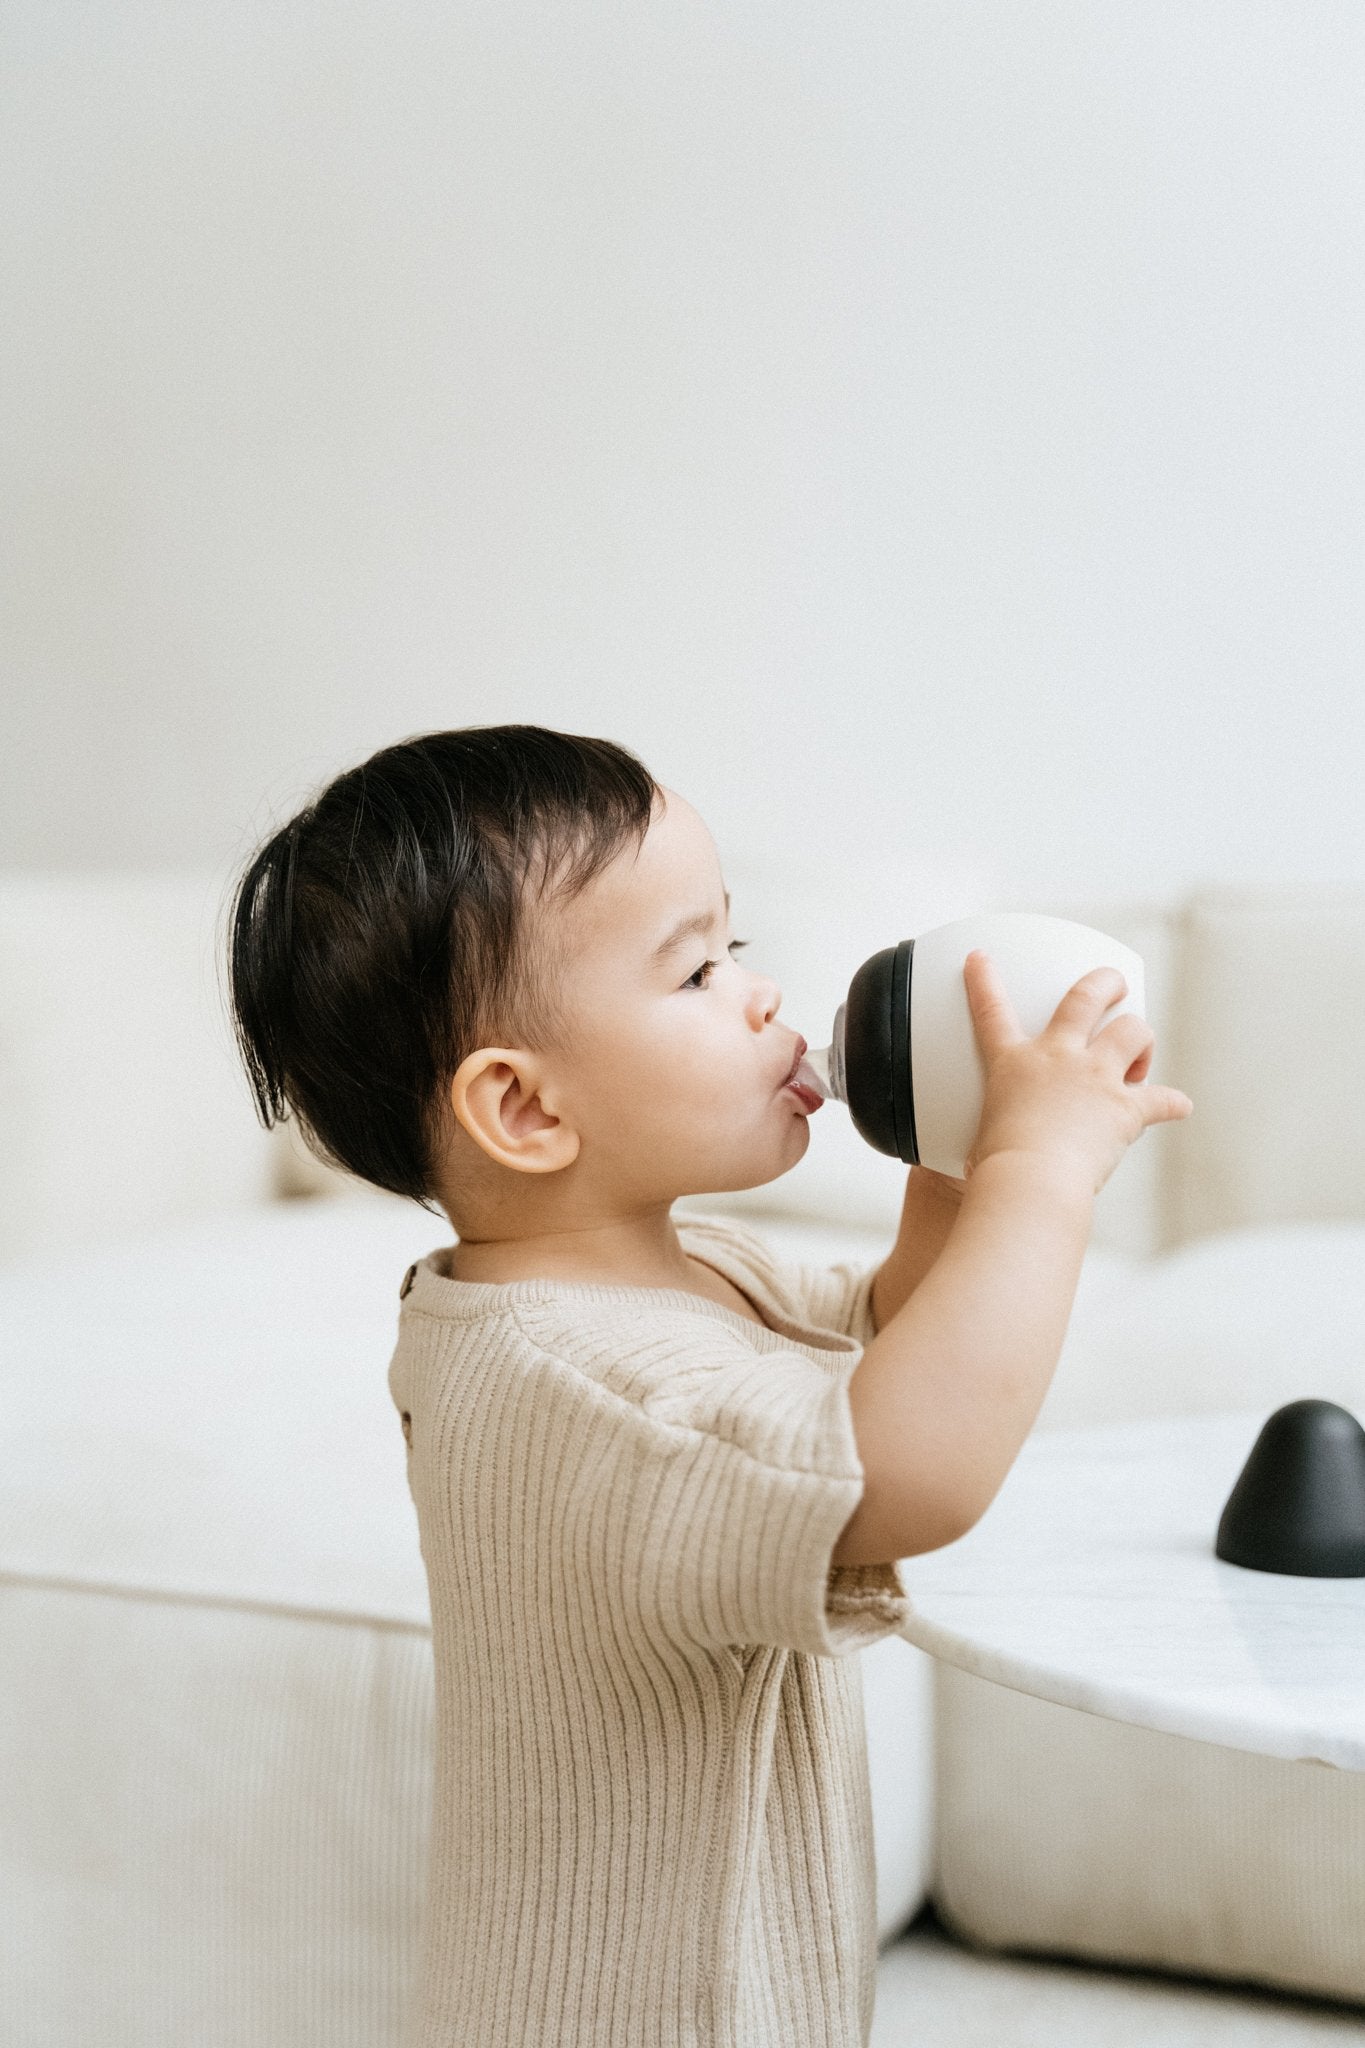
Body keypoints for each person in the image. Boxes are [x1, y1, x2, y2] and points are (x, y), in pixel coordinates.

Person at [226, 723, 1192, 2048]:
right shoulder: (569, 1379)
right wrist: (1041, 1178)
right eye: (693, 970)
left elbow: (896, 1337)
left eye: (734, 947)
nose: (757, 993)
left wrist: (962, 1146)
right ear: (523, 1110)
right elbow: (898, 1469)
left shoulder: (685, 1275)